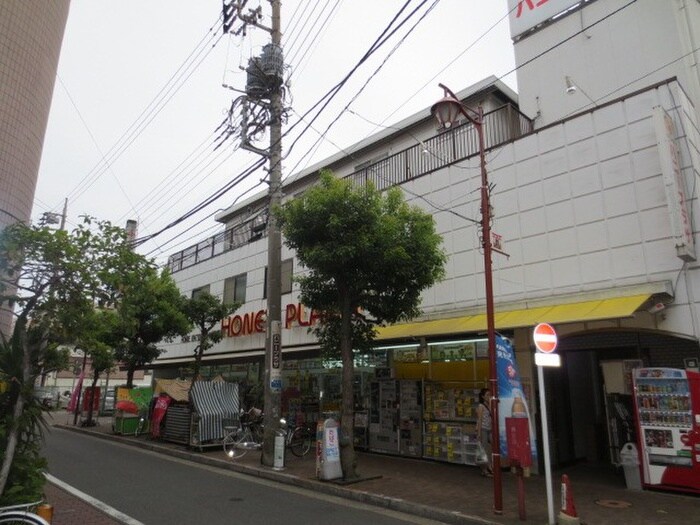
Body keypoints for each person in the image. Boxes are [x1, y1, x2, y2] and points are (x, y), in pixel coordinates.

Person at [476, 388, 493, 477]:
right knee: (484, 450)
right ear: (482, 396)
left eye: (490, 394)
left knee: (488, 449)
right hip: (483, 429)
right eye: (487, 395)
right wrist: (478, 433)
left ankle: (489, 467)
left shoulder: (489, 405)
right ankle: (485, 470)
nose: (489, 396)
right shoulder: (481, 406)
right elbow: (480, 420)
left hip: (489, 429)